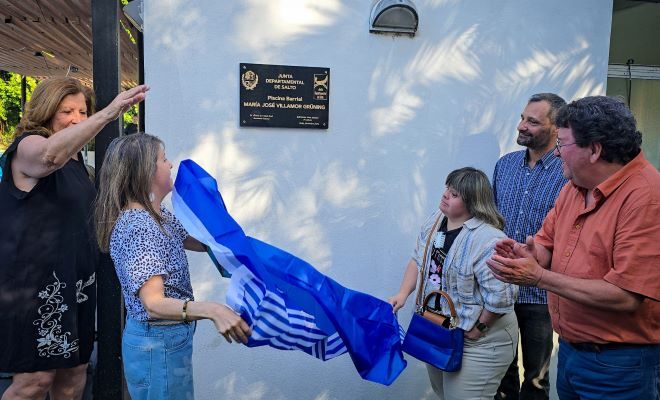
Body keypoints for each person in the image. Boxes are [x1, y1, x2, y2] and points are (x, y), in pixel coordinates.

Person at [487, 96, 660, 400]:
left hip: (620, 365)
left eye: (563, 143)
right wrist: (530, 254)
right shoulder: (575, 186)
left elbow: (626, 295)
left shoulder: (646, 197)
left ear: (593, 150)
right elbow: (546, 242)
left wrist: (538, 277)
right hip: (572, 352)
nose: (556, 152)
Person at [0, 77, 147, 400]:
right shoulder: (28, 146)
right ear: (46, 111)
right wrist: (110, 113)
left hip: (75, 283)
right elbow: (48, 158)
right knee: (34, 381)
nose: (77, 119)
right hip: (34, 287)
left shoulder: (77, 160)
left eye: (82, 111)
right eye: (67, 111)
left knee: (74, 373)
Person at [94, 133, 252, 400]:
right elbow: (154, 303)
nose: (170, 165)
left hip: (167, 340)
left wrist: (216, 215)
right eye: (163, 159)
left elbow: (202, 242)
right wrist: (213, 310)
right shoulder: (140, 226)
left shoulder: (159, 214)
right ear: (145, 172)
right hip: (158, 343)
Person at [389, 167, 519, 400]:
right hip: (440, 328)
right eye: (447, 188)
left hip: (480, 339)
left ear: (473, 203)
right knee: (444, 394)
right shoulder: (437, 220)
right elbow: (418, 259)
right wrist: (402, 293)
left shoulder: (488, 240)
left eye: (455, 194)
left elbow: (502, 297)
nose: (446, 195)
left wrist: (479, 328)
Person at [492, 93, 567, 400]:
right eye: (523, 118)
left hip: (541, 294)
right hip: (499, 289)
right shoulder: (504, 165)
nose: (522, 125)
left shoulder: (568, 172)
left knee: (536, 381)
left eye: (533, 122)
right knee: (501, 376)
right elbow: (490, 222)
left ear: (556, 127)